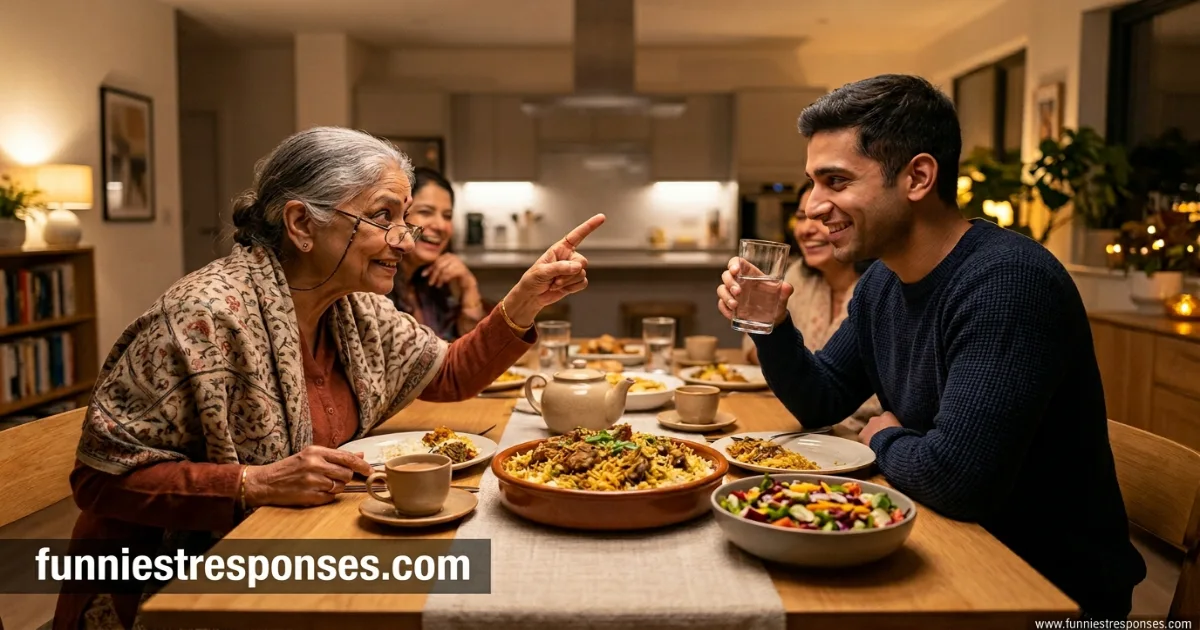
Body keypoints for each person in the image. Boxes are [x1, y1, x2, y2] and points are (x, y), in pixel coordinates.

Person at [55, 127, 604, 629]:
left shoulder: (354, 309)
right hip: (166, 594)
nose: (405, 240)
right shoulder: (205, 317)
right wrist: (253, 483)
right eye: (383, 217)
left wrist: (525, 299)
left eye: (404, 219)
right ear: (300, 225)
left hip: (293, 553)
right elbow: (100, 481)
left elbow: (450, 373)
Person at [715, 75, 1145, 619]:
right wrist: (772, 328)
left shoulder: (1008, 282)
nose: (814, 208)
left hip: (1040, 587)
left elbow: (956, 480)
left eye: (836, 181)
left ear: (918, 176)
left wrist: (885, 435)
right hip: (948, 540)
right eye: (813, 183)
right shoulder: (884, 282)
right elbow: (822, 399)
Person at [742, 181, 880, 433]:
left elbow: (861, 404)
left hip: (859, 439)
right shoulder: (799, 275)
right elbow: (751, 343)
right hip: (802, 424)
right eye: (800, 218)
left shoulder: (879, 287)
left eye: (820, 218)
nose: (805, 229)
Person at [390, 167, 486, 341]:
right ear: (399, 216)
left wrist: (469, 286)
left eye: (447, 216)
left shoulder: (432, 283)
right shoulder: (376, 288)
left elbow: (471, 350)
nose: (441, 226)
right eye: (425, 212)